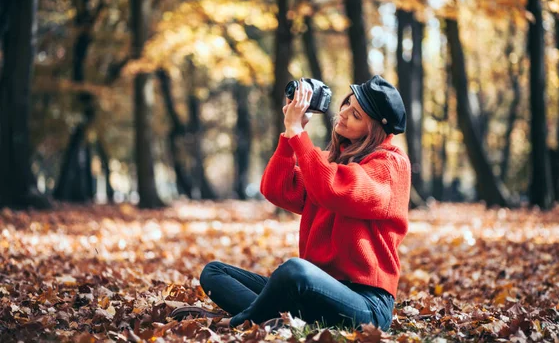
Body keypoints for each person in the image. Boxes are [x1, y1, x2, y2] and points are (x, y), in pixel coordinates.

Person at [170, 75, 411, 331]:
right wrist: (289, 134)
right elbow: (277, 189)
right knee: (214, 273)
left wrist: (300, 134)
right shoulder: (331, 161)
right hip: (314, 291)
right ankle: (275, 322)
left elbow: (335, 190)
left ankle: (243, 322)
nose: (343, 114)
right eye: (347, 104)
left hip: (366, 304)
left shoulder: (390, 166)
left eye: (356, 115)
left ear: (374, 130)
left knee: (294, 271)